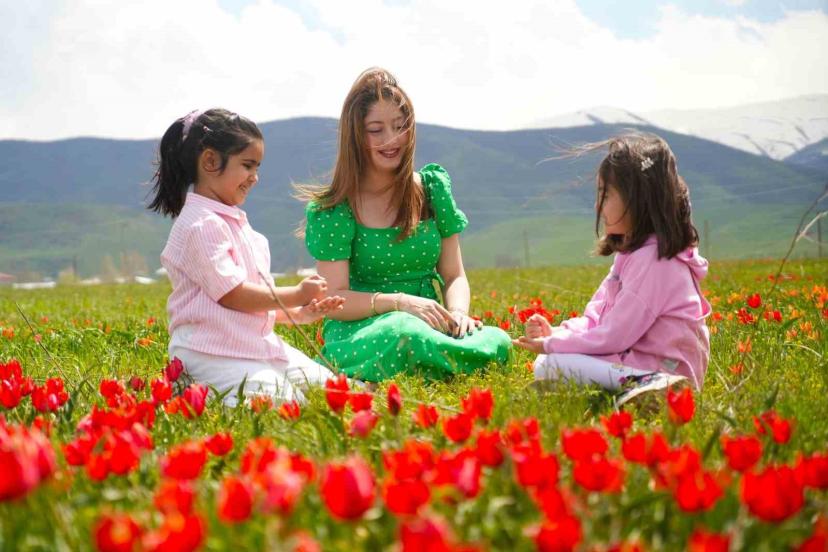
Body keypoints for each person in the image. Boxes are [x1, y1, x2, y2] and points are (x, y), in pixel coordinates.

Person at [299, 68, 511, 382]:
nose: (392, 139)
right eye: (376, 130)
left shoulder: (432, 189)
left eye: (400, 126)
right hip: (364, 329)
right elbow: (334, 300)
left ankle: (436, 359)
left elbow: (454, 275)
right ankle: (448, 363)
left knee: (498, 340)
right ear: (355, 136)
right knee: (403, 332)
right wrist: (399, 303)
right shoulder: (335, 209)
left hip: (431, 324)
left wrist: (458, 314)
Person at [148, 108, 344, 405]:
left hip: (254, 347)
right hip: (210, 352)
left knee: (332, 388)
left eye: (257, 167)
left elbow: (252, 303)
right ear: (210, 161)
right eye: (247, 165)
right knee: (287, 402)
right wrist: (296, 294)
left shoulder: (236, 224)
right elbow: (233, 295)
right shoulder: (201, 225)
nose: (255, 177)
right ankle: (191, 387)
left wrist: (298, 313)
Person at [513, 133, 711, 405]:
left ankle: (652, 387)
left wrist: (552, 344)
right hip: (635, 360)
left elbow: (615, 336)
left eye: (606, 195)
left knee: (552, 362)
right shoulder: (631, 256)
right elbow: (596, 318)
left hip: (670, 372)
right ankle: (628, 391)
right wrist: (556, 333)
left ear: (639, 199)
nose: (598, 205)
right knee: (546, 363)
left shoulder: (655, 262)